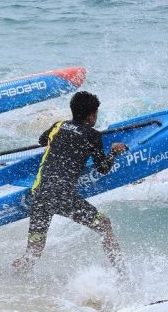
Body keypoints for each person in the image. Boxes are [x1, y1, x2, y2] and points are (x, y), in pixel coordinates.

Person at [12, 91, 129, 275]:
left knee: (33, 252)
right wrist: (113, 152)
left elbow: (42, 140)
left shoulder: (58, 125)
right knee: (104, 225)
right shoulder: (93, 135)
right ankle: (123, 273)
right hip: (62, 196)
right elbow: (103, 168)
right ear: (91, 116)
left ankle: (10, 276)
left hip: (40, 194)